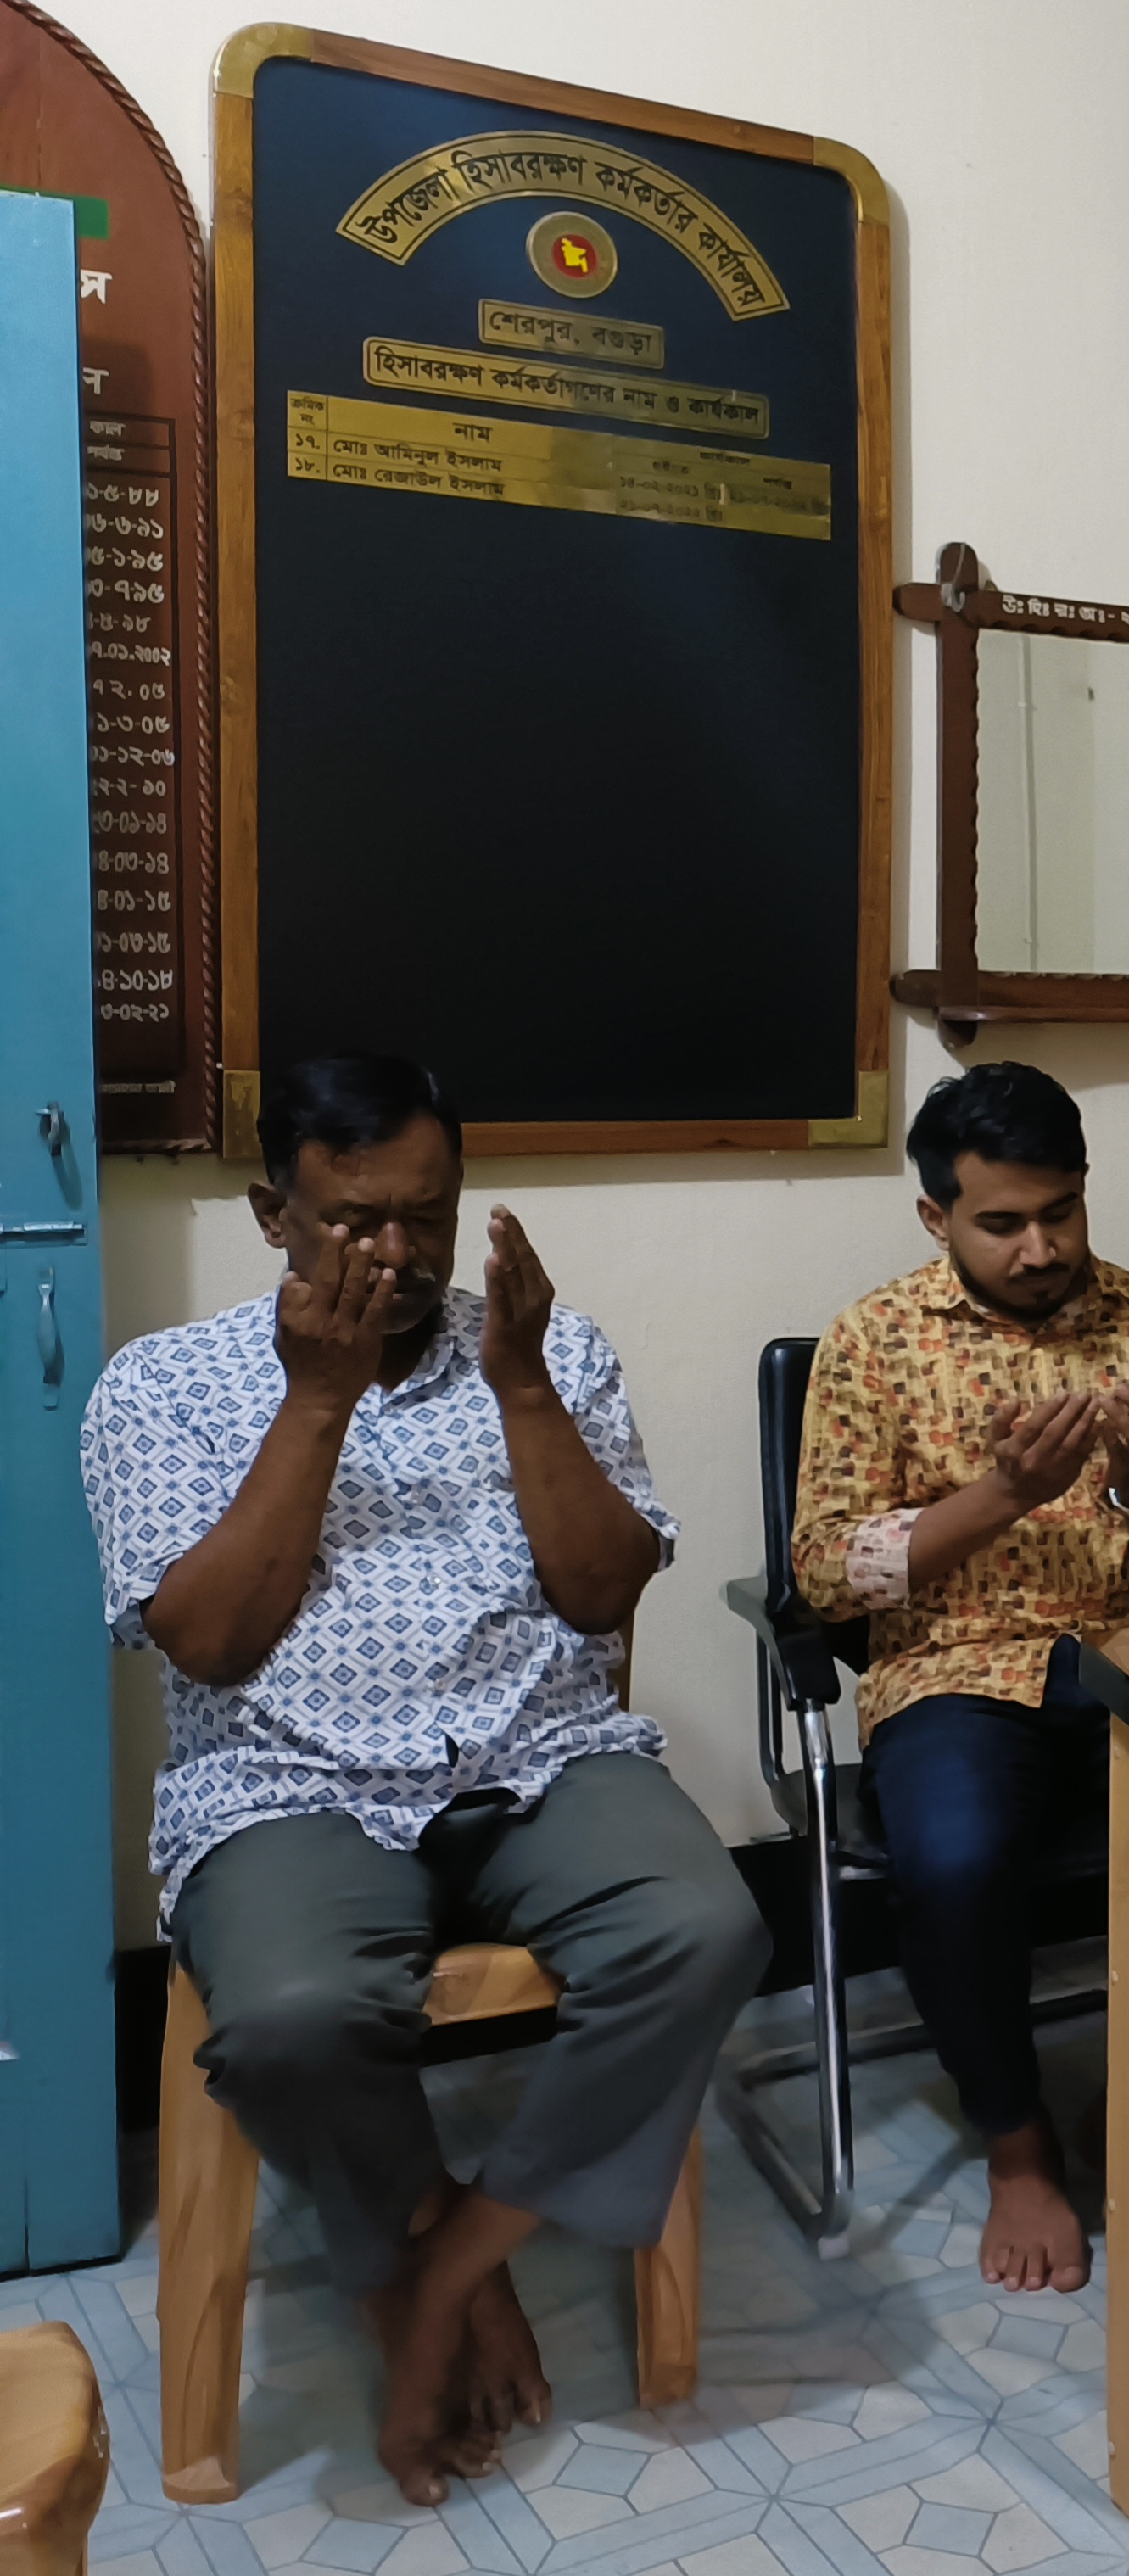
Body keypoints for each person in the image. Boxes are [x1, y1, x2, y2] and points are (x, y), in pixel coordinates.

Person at [81, 1055, 768, 2511]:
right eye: (353, 1220)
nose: (397, 1252)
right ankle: (421, 2240)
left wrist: (522, 1387)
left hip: (539, 1756)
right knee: (290, 2018)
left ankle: (445, 2269)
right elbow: (209, 1639)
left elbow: (603, 1595)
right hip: (288, 1785)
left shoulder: (547, 1349)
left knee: (705, 1927)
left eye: (429, 1214)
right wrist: (315, 1403)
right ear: (274, 1212)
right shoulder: (162, 1386)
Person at [788, 1062, 1129, 2295]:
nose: (1042, 1249)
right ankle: (1018, 2140)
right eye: (1002, 1223)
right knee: (957, 1861)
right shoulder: (874, 1340)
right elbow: (825, 1574)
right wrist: (1004, 1495)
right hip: (954, 1669)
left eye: (1061, 1213)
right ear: (935, 1216)